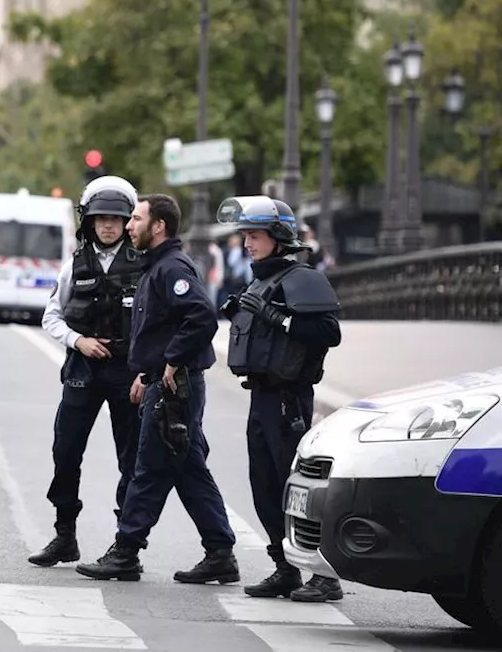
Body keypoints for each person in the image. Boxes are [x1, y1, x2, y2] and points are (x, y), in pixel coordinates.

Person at [76, 193, 239, 585]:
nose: (129, 225)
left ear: (159, 225)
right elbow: (162, 329)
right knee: (187, 468)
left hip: (176, 386)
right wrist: (147, 373)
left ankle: (126, 551)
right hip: (165, 382)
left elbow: (201, 317)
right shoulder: (156, 266)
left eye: (135, 218)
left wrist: (170, 361)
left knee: (147, 468)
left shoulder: (172, 268)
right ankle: (220, 552)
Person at [217, 195, 343, 603]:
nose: (248, 243)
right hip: (262, 395)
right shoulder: (261, 278)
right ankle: (285, 567)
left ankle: (324, 575)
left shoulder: (302, 278)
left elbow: (328, 333)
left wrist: (276, 317)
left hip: (289, 398)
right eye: (245, 236)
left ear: (278, 236)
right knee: (264, 485)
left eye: (255, 235)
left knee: (297, 490)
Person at [30, 176, 143, 567]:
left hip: (128, 372)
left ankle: (125, 545)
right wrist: (78, 341)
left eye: (116, 218)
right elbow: (51, 316)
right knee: (65, 450)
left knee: (130, 458)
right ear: (89, 222)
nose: (108, 225)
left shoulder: (144, 264)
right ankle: (65, 535)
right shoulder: (74, 264)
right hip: (83, 368)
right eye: (101, 219)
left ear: (128, 221)